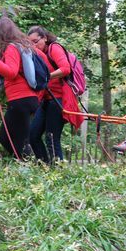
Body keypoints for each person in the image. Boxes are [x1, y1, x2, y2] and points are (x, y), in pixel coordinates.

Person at [0, 17, 41, 159]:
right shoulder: (19, 46)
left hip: (21, 100)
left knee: (12, 140)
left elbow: (11, 72)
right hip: (24, 100)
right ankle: (28, 166)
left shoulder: (12, 48)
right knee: (10, 139)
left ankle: (30, 168)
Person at [27, 26, 72, 164]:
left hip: (58, 99)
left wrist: (46, 77)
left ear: (45, 38)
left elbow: (65, 69)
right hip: (46, 100)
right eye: (30, 43)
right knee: (32, 135)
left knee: (52, 138)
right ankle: (46, 167)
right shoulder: (37, 55)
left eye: (36, 41)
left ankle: (58, 171)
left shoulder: (54, 48)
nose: (34, 45)